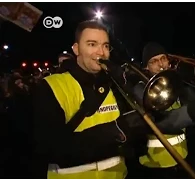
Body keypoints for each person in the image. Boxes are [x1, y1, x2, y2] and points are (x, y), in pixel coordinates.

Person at [32, 20, 146, 179]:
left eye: (105, 46)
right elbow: (48, 148)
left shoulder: (114, 83)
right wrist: (115, 133)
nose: (101, 52)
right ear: (76, 49)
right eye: (92, 44)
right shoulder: (51, 86)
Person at [125, 42, 195, 178]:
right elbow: (164, 121)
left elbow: (193, 103)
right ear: (146, 67)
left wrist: (191, 78)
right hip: (156, 166)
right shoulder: (140, 89)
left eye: (163, 59)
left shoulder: (174, 84)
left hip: (182, 158)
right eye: (154, 61)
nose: (161, 64)